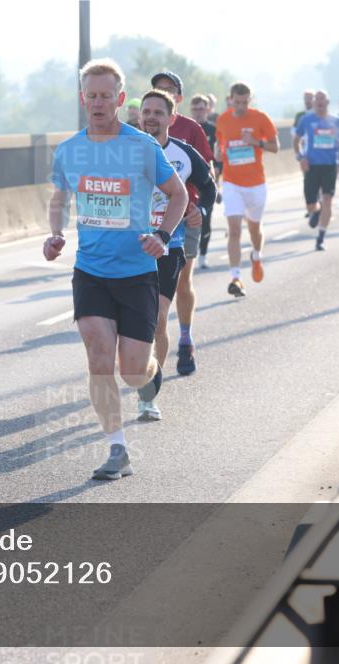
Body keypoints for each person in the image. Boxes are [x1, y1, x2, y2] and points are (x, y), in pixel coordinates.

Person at [45, 58, 187, 481]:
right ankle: (117, 448)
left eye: (107, 95)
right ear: (82, 99)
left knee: (132, 370)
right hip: (90, 270)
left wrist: (161, 236)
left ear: (121, 99)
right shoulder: (70, 149)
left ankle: (150, 374)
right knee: (97, 353)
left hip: (137, 271)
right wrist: (55, 233)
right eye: (92, 96)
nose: (99, 103)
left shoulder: (142, 146)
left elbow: (177, 195)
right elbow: (59, 198)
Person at [138, 90, 216, 417]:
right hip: (129, 246)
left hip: (170, 245)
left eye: (158, 112)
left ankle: (149, 395)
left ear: (171, 119)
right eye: (146, 112)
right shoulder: (123, 150)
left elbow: (209, 186)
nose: (151, 117)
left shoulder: (183, 154)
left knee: (156, 319)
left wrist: (201, 212)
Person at [150, 71, 215, 375]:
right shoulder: (137, 135)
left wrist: (199, 209)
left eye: (169, 90)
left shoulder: (190, 131)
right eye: (158, 88)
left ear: (177, 100)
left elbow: (206, 176)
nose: (163, 92)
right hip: (143, 228)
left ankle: (185, 338)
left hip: (182, 223)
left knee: (183, 282)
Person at [215, 82, 280, 297]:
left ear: (249, 100)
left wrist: (256, 142)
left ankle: (256, 255)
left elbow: (275, 147)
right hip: (232, 183)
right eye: (237, 101)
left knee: (254, 230)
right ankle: (236, 277)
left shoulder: (260, 118)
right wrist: (218, 154)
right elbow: (220, 145)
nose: (241, 105)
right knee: (234, 230)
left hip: (256, 184)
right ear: (230, 99)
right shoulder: (223, 120)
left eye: (245, 102)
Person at [293, 91, 339, 251]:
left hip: (330, 165)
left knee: (328, 199)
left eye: (323, 99)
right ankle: (315, 212)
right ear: (314, 102)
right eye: (317, 99)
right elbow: (296, 140)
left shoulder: (336, 121)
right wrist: (300, 157)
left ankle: (321, 237)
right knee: (311, 204)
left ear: (328, 102)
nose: (320, 102)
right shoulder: (306, 119)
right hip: (311, 165)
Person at [189, 93, 220, 271]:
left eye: (201, 109)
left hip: (207, 181)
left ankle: (203, 255)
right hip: (189, 181)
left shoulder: (213, 130)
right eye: (195, 109)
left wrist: (217, 169)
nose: (198, 113)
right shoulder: (187, 127)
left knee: (205, 218)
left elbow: (219, 154)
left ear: (207, 110)